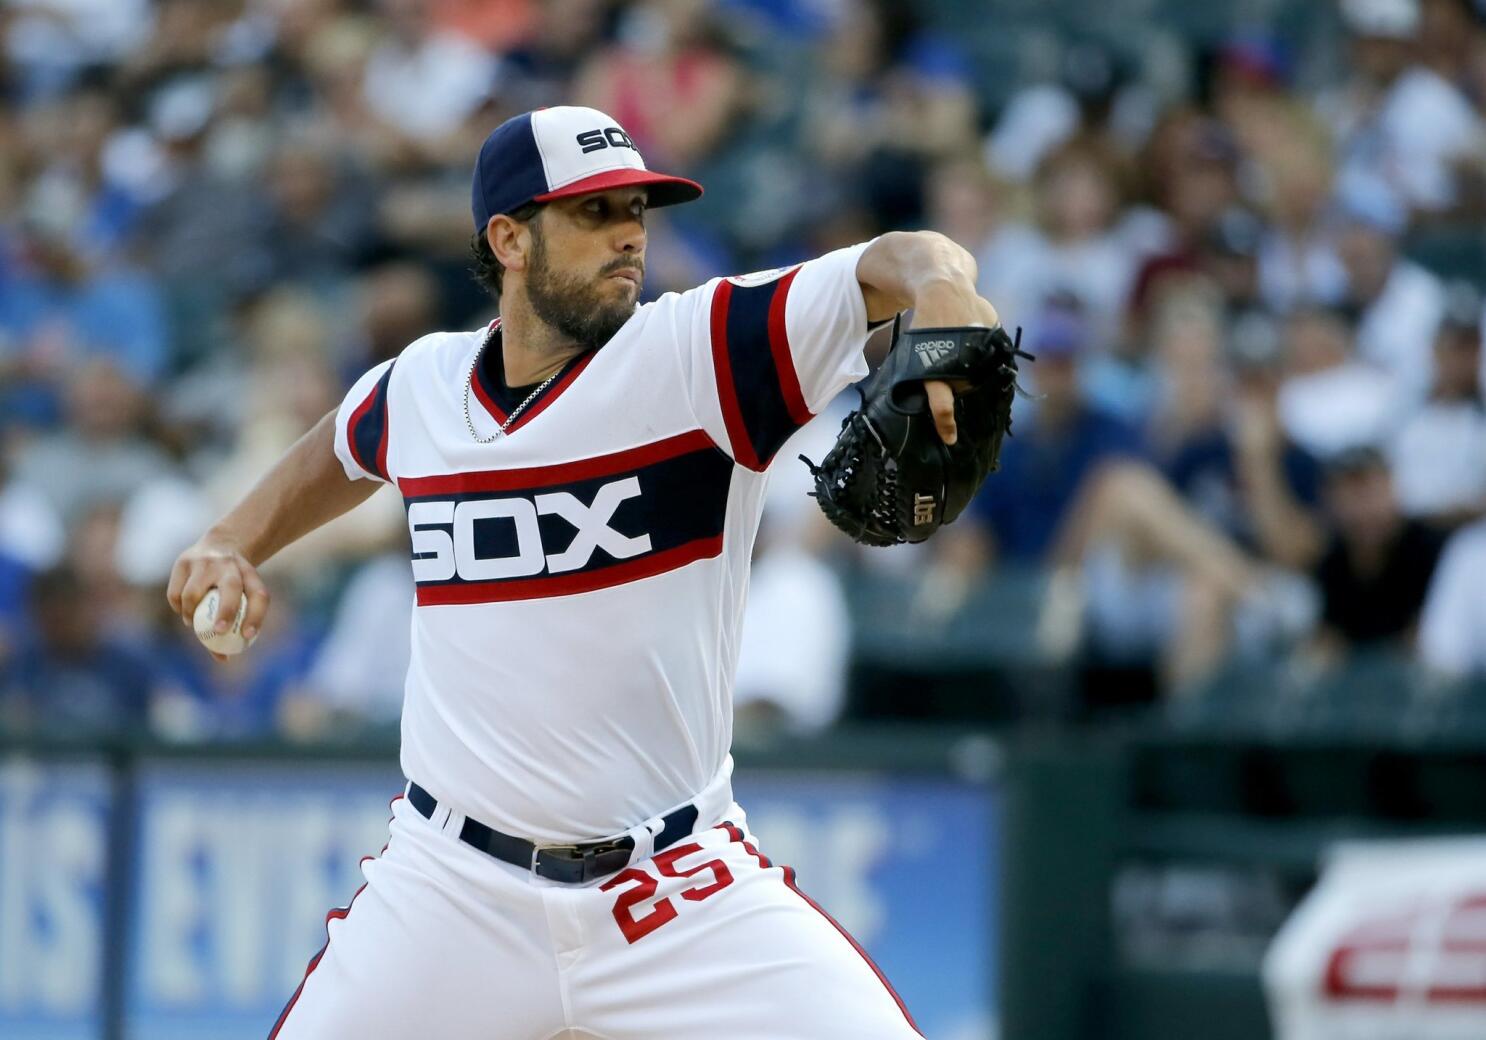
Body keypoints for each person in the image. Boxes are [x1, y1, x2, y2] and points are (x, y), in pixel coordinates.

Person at [167, 105, 999, 1039]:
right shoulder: (427, 385)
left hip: (677, 893)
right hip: (451, 890)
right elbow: (346, 444)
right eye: (595, 211)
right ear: (509, 237)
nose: (630, 233)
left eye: (637, 208)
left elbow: (899, 260)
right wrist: (234, 537)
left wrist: (940, 277)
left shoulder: (700, 353)